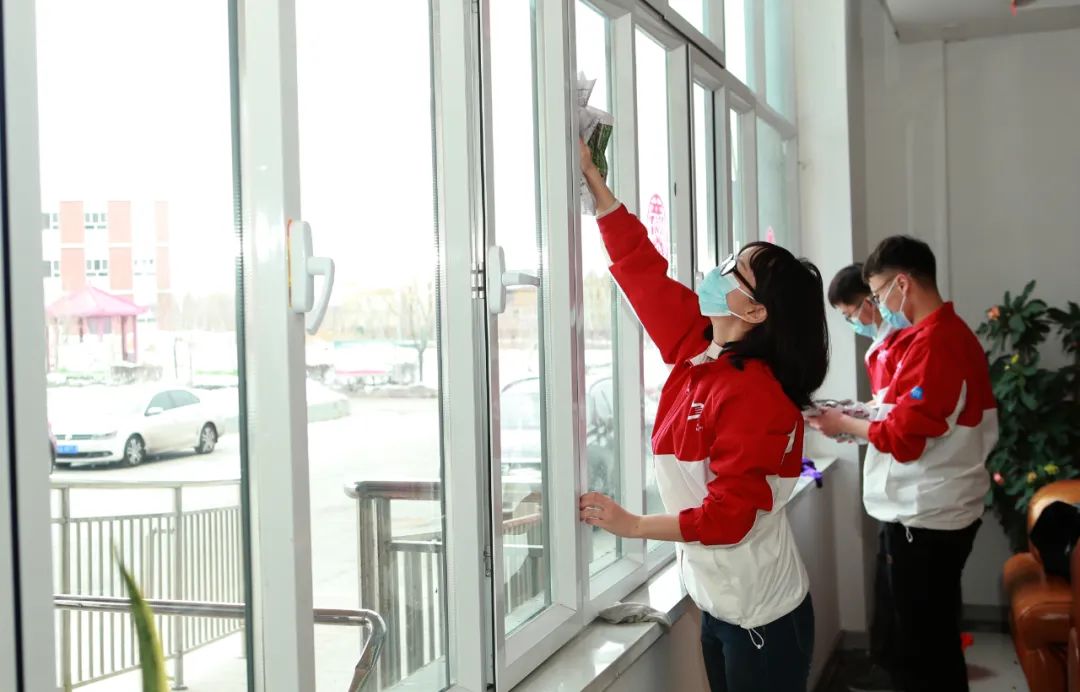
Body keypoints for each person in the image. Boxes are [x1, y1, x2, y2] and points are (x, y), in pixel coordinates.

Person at [576, 140, 829, 692]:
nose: (719, 271)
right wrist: (596, 185)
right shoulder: (702, 344)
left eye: (735, 272)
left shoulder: (757, 396)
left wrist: (632, 525)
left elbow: (727, 519)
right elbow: (643, 275)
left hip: (763, 619)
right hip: (719, 604)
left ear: (755, 312)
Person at [809, 236, 997, 692]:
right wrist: (852, 419)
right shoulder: (928, 339)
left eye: (875, 296)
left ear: (902, 284)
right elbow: (900, 414)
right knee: (925, 643)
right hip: (927, 509)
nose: (875, 307)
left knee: (924, 653)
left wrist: (843, 423)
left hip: (929, 513)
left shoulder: (937, 343)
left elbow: (904, 438)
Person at [826, 263, 910, 691]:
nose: (854, 322)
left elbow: (899, 421)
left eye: (852, 312)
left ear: (871, 300)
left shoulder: (904, 343)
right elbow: (882, 410)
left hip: (909, 490)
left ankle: (894, 672)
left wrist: (848, 422)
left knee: (904, 596)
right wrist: (851, 419)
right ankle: (887, 666)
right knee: (890, 586)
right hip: (893, 485)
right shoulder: (881, 345)